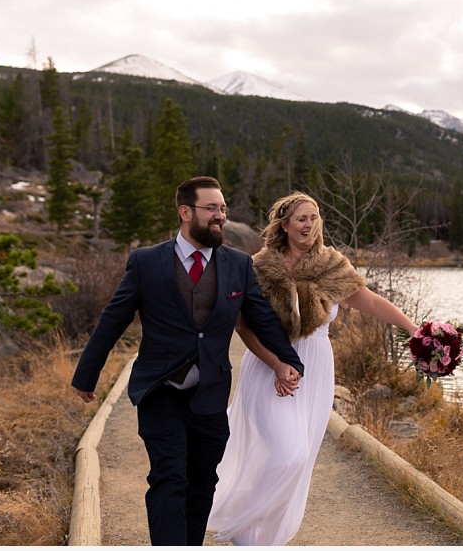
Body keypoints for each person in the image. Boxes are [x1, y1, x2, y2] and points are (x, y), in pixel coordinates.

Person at [71, 176, 304, 546]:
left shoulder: (238, 266)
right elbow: (113, 318)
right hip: (160, 390)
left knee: (201, 483)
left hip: (210, 393)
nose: (220, 216)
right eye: (212, 208)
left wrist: (289, 362)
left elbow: (262, 320)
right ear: (185, 212)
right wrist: (87, 375)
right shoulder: (146, 262)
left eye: (223, 209)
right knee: (169, 477)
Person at [207, 191, 419, 545]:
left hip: (316, 371)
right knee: (290, 454)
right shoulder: (259, 266)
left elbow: (370, 302)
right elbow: (242, 325)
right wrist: (274, 363)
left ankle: (259, 538)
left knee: (295, 460)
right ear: (285, 224)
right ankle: (241, 519)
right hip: (267, 367)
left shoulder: (332, 266)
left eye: (314, 217)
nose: (309, 224)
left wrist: (413, 330)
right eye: (301, 218)